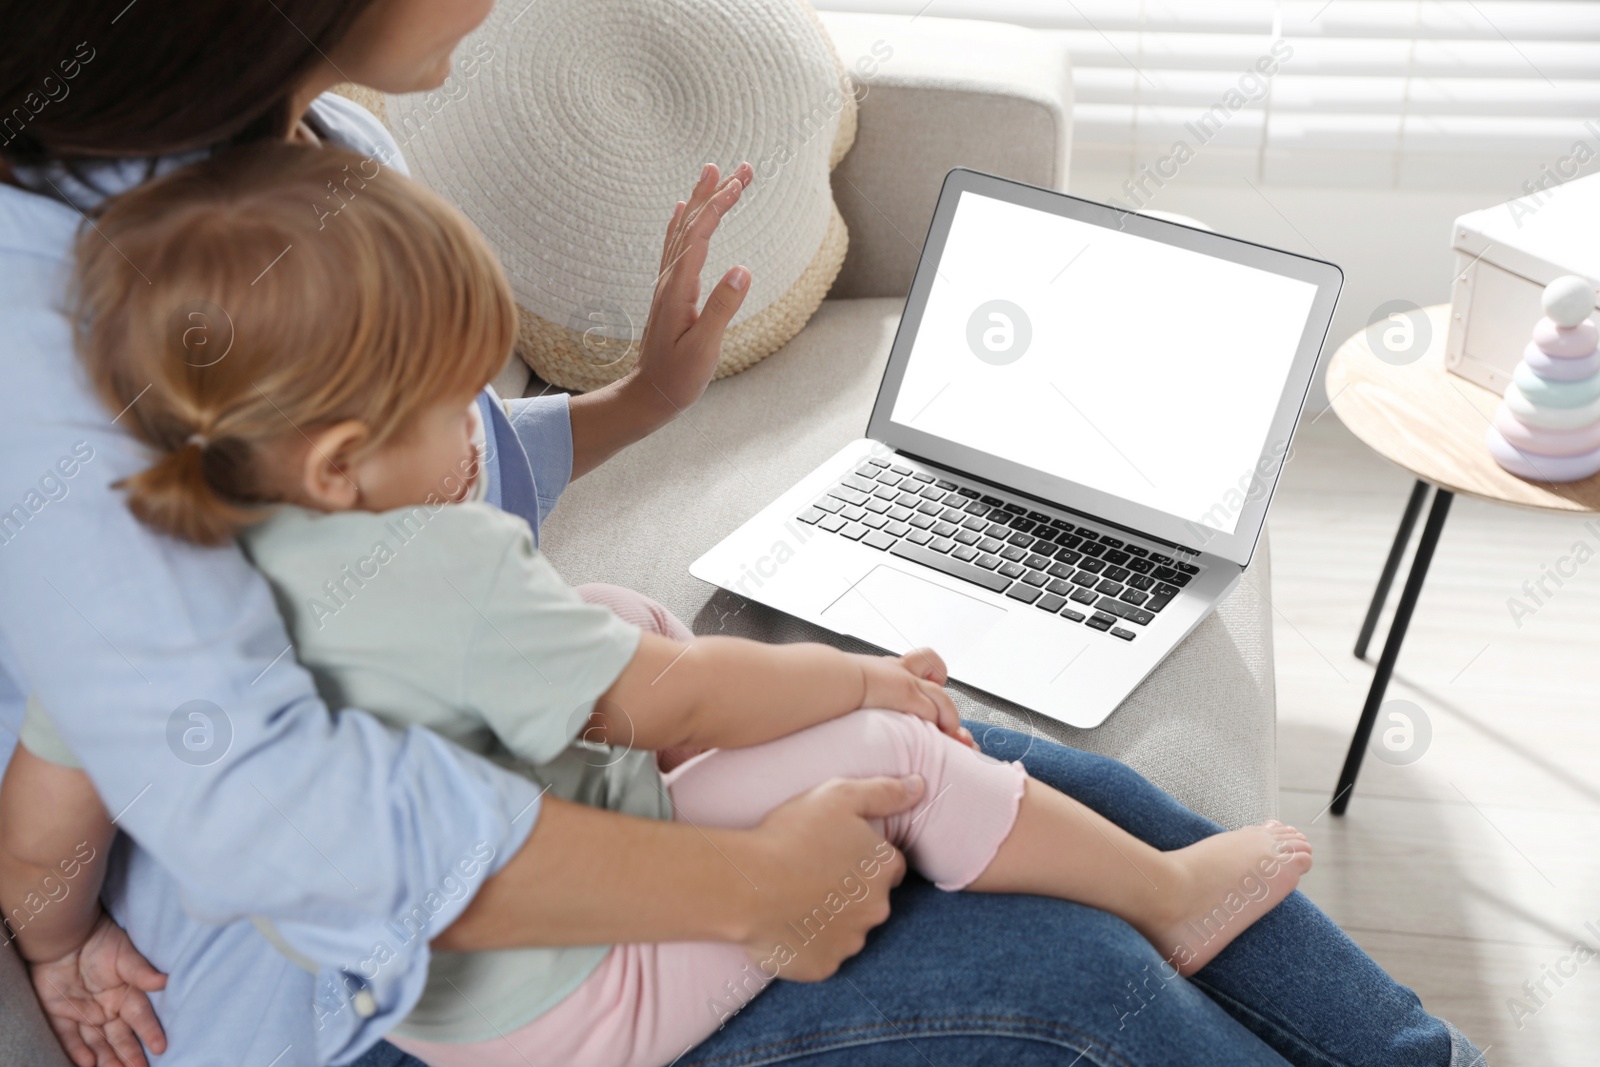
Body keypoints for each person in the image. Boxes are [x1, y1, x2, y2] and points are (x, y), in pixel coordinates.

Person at [0, 3, 1484, 1065]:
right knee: (1072, 972)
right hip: (385, 992)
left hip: (526, 768)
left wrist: (640, 404)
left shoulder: (308, 142)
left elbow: (408, 506)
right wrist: (754, 886)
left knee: (1076, 788)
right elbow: (292, 811)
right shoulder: (54, 313)